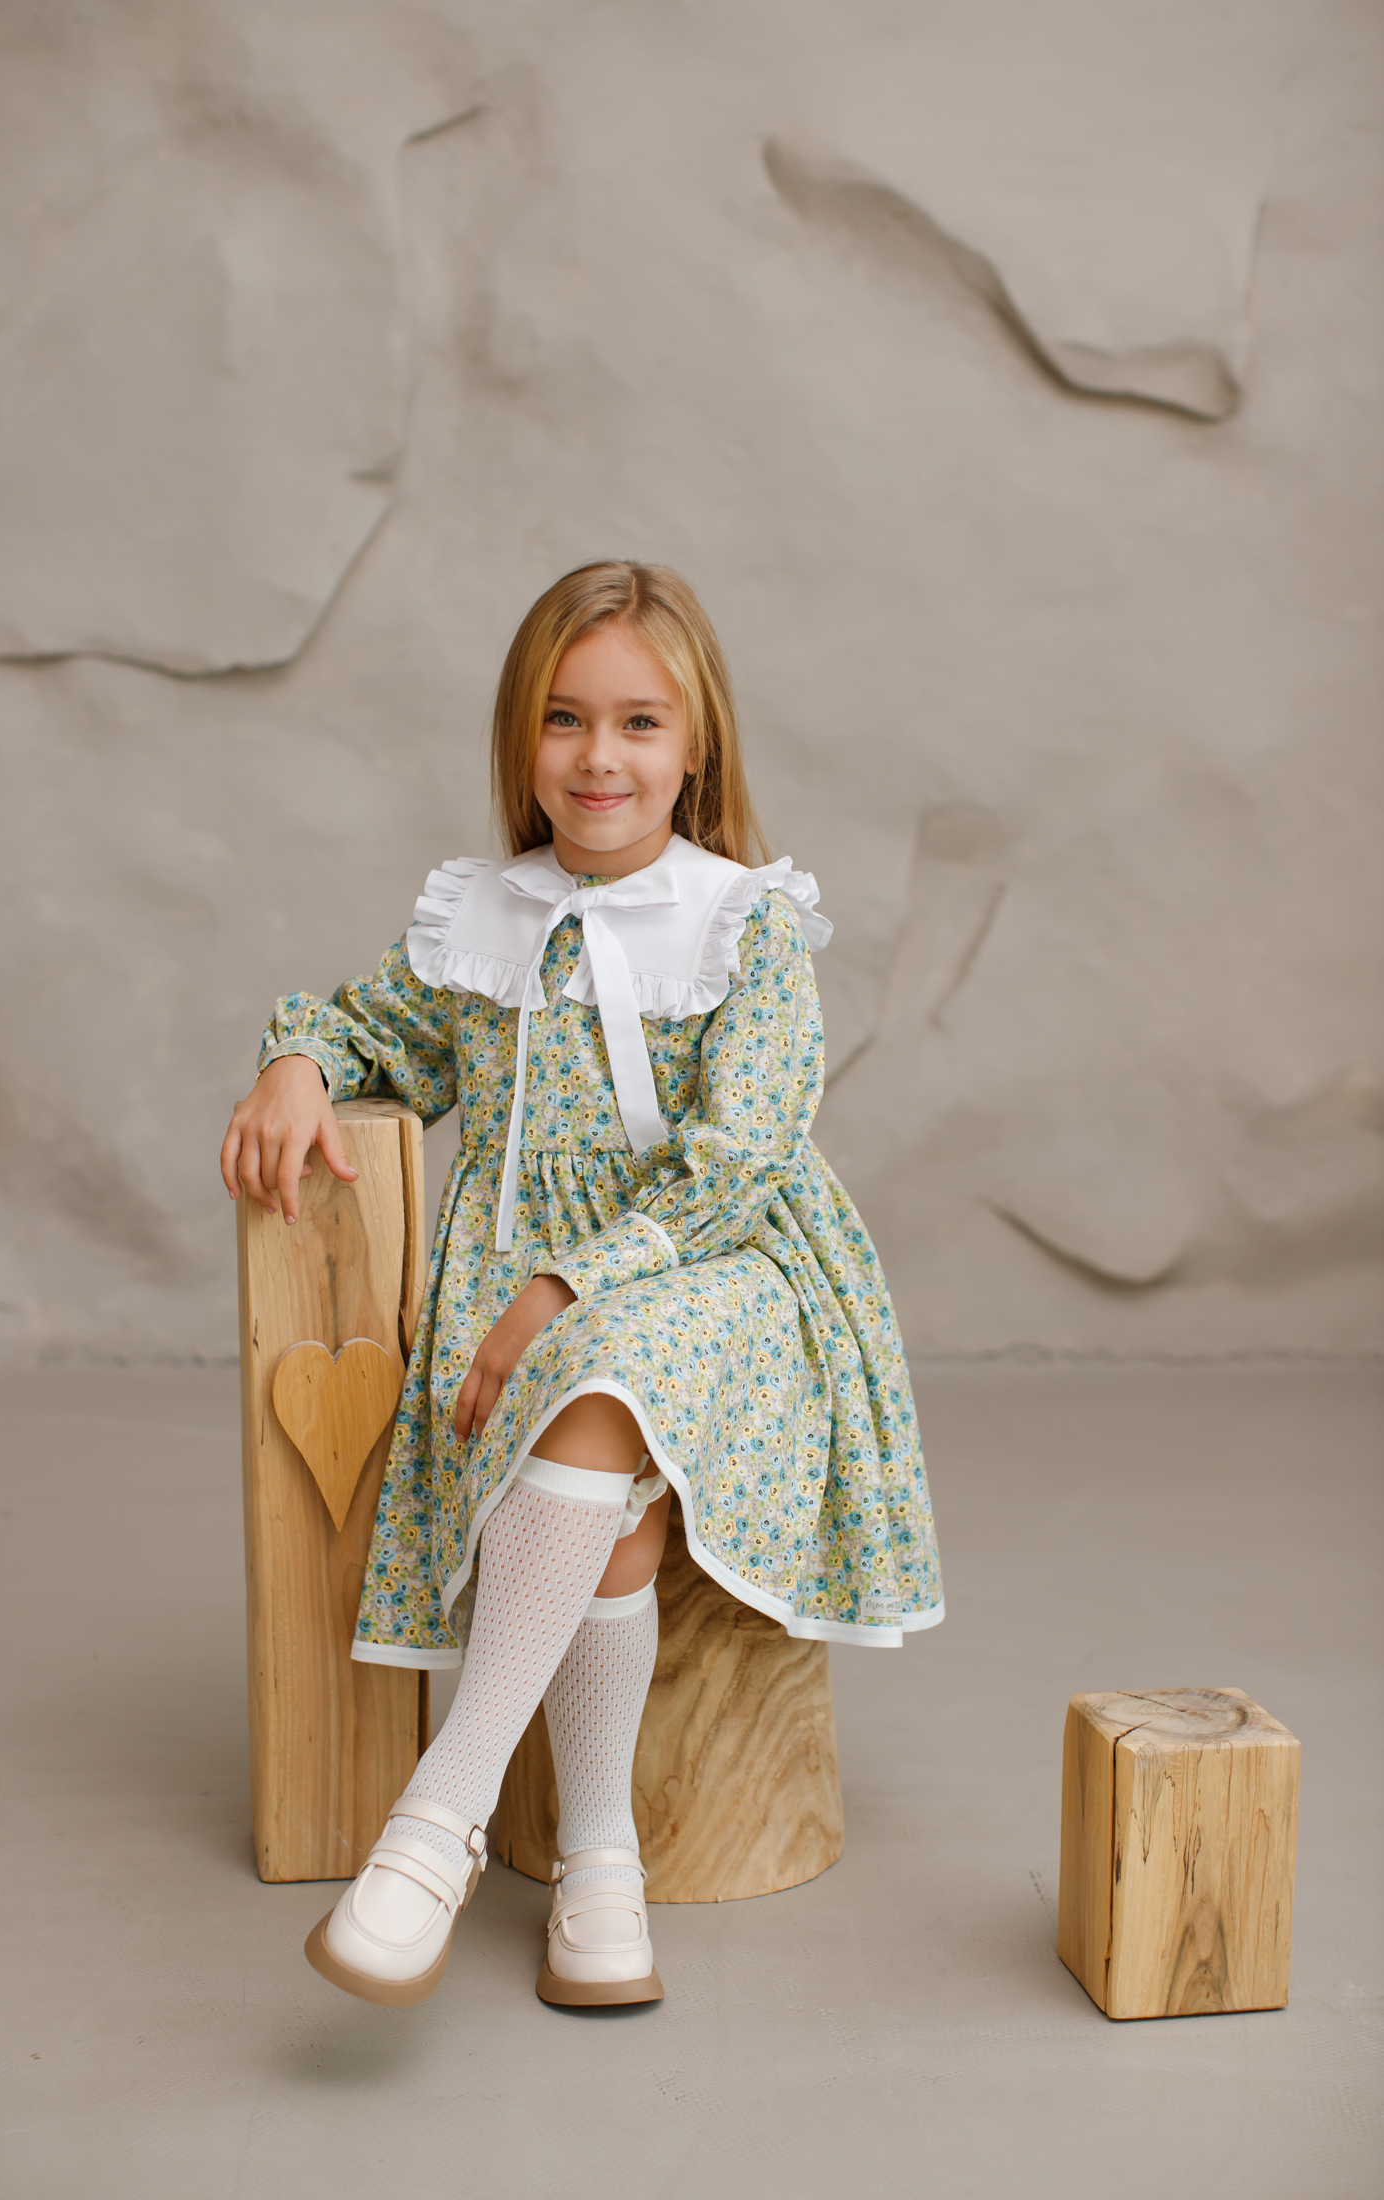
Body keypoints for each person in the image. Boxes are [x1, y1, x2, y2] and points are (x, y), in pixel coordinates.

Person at [220, 560, 943, 2011]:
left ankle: (438, 1819)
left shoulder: (744, 921)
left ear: (696, 747)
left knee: (604, 1369)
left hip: (722, 1270)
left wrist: (567, 1286)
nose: (598, 756)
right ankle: (600, 1858)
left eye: (637, 722)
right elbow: (371, 1032)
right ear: (522, 736)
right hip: (532, 1302)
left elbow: (742, 1158)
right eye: (564, 718)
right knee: (593, 1442)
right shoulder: (480, 918)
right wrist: (296, 1060)